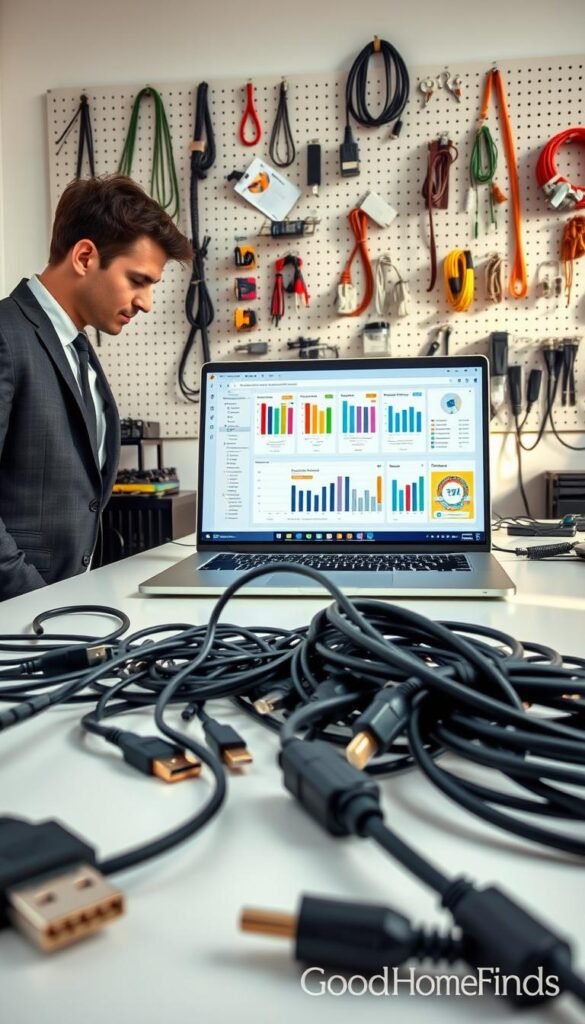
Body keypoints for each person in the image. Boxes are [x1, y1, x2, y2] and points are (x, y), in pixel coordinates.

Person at [0, 174, 192, 600]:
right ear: (85, 256)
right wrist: (35, 603)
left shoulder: (77, 349)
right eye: (138, 280)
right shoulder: (6, 334)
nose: (146, 302)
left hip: (68, 609)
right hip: (22, 617)